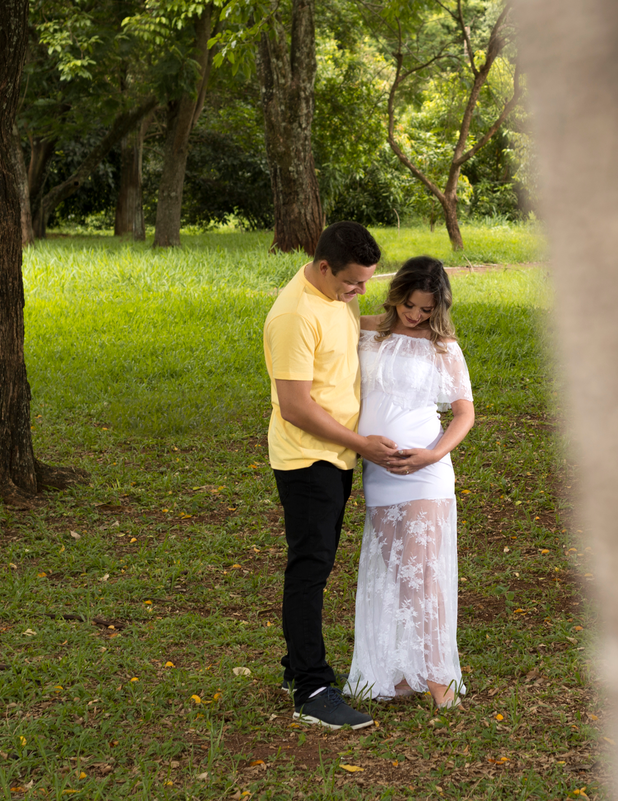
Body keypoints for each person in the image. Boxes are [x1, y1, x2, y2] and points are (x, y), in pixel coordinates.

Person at [263, 221, 398, 730]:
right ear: (324, 267)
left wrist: (410, 322)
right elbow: (296, 406)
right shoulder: (294, 315)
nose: (361, 293)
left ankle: (295, 664)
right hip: (307, 459)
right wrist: (361, 443)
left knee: (316, 565)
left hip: (336, 455)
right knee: (310, 570)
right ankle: (312, 688)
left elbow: (353, 329)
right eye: (353, 283)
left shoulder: (336, 296)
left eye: (366, 282)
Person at [344, 256, 475, 709]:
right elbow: (324, 305)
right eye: (411, 306)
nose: (416, 316)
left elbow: (464, 413)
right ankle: (401, 672)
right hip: (379, 472)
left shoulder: (443, 346)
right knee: (398, 575)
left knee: (422, 575)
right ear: (397, 293)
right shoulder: (364, 328)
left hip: (427, 473)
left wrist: (433, 454)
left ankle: (440, 681)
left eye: (426, 310)